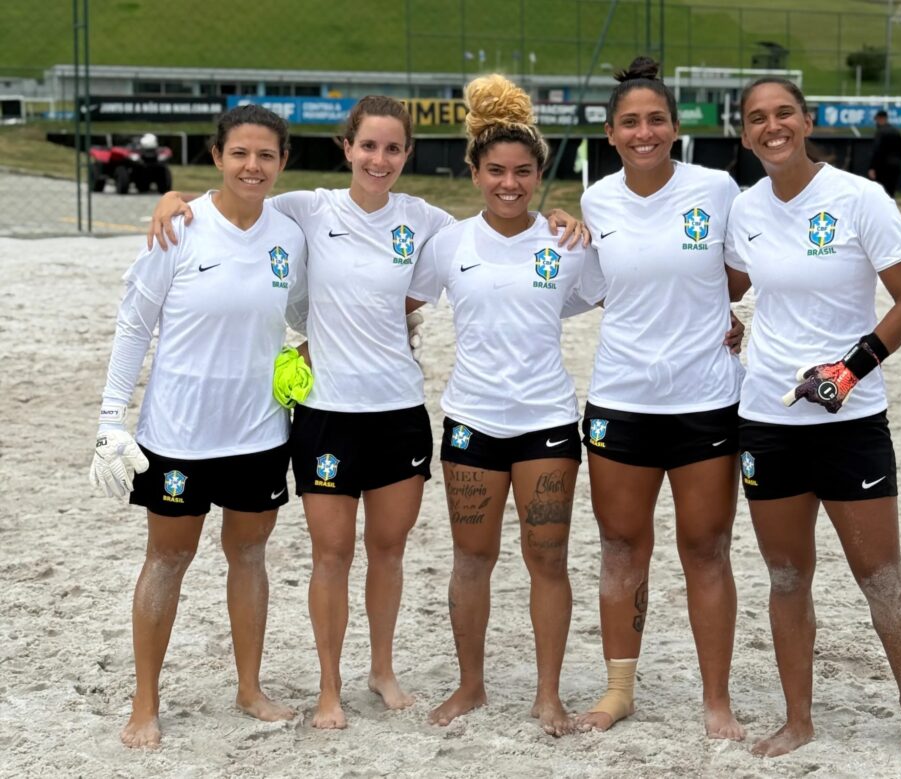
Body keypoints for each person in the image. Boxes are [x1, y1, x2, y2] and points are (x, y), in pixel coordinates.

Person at [146, 96, 586, 730]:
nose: (380, 159)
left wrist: (558, 218)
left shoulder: (428, 221)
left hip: (399, 411)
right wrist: (174, 198)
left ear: (407, 154)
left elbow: (496, 229)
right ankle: (330, 688)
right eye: (369, 146)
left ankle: (382, 670)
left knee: (388, 550)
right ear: (347, 147)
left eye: (393, 148)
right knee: (331, 555)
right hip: (326, 412)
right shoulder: (305, 208)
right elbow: (237, 196)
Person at [723, 76, 901, 762]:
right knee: (787, 578)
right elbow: (724, 285)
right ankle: (799, 719)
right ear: (744, 133)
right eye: (758, 118)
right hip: (768, 419)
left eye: (784, 112)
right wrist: (725, 321)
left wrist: (850, 370)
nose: (773, 126)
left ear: (807, 120)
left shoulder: (859, 199)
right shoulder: (744, 209)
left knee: (881, 578)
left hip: (850, 421)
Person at [90, 104, 308, 748]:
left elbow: (308, 311)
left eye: (265, 155)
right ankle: (145, 702)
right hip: (177, 435)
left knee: (249, 555)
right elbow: (134, 325)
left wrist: (313, 353)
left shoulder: (289, 236)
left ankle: (250, 688)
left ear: (282, 162)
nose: (252, 166)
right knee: (168, 558)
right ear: (217, 156)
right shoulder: (179, 226)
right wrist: (110, 418)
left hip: (260, 433)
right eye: (239, 153)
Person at [405, 74, 593, 737]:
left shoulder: (569, 244)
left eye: (522, 171)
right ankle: (471, 684)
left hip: (546, 422)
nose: (509, 183)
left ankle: (549, 695)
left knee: (547, 559)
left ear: (540, 174)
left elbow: (630, 301)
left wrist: (726, 324)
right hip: (472, 420)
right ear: (475, 172)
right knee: (471, 559)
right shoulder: (449, 244)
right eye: (496, 171)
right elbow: (394, 306)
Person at [573, 57, 746, 740]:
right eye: (629, 123)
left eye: (654, 120)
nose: (642, 132)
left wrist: (721, 316)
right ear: (610, 134)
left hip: (706, 399)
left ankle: (716, 699)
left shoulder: (717, 188)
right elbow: (599, 286)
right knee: (621, 547)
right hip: (622, 398)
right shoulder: (597, 201)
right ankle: (619, 691)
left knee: (706, 549)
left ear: (675, 126)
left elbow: (738, 274)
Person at [868, 110, 901, 198]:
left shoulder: (880, 132)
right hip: (895, 165)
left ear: (881, 119)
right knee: (891, 192)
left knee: (881, 192)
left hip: (882, 167)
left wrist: (872, 167)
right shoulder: (896, 131)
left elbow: (877, 151)